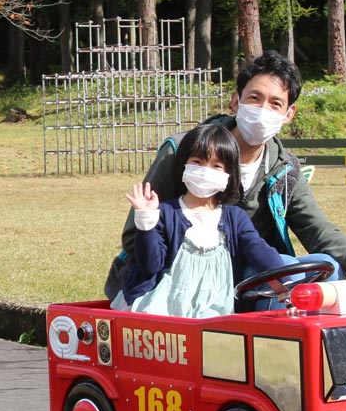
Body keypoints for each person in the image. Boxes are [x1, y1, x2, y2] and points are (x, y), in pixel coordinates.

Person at [106, 50, 346, 308]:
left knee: (327, 266)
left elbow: (316, 228)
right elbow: (135, 235)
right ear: (236, 100)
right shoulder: (184, 151)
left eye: (276, 103)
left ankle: (307, 345)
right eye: (254, 98)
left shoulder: (284, 167)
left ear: (289, 114)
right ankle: (271, 350)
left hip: (254, 264)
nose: (263, 110)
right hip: (181, 272)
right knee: (281, 267)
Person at [111, 124, 288, 318]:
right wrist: (146, 222)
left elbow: (257, 249)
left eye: (216, 166)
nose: (205, 171)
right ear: (183, 164)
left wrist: (281, 277)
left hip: (215, 311)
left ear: (229, 174)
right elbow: (150, 265)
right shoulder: (166, 212)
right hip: (164, 310)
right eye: (197, 162)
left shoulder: (234, 218)